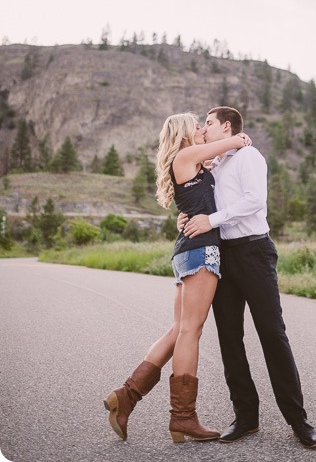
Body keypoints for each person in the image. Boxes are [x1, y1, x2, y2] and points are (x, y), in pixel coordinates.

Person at [103, 112, 250, 443]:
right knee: (190, 332)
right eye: (196, 126)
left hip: (189, 249)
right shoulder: (185, 155)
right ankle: (183, 418)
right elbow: (231, 143)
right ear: (184, 134)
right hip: (200, 252)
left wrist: (189, 215)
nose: (201, 130)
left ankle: (126, 395)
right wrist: (240, 139)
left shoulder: (194, 165)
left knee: (178, 331)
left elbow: (203, 193)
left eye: (203, 125)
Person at [180, 106, 316, 448]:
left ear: (227, 127)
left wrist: (211, 221)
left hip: (254, 253)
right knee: (229, 338)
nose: (204, 128)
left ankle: (298, 420)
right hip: (223, 257)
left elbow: (255, 202)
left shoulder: (249, 156)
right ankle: (246, 416)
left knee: (272, 334)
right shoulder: (213, 167)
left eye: (209, 123)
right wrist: (188, 216)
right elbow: (201, 200)